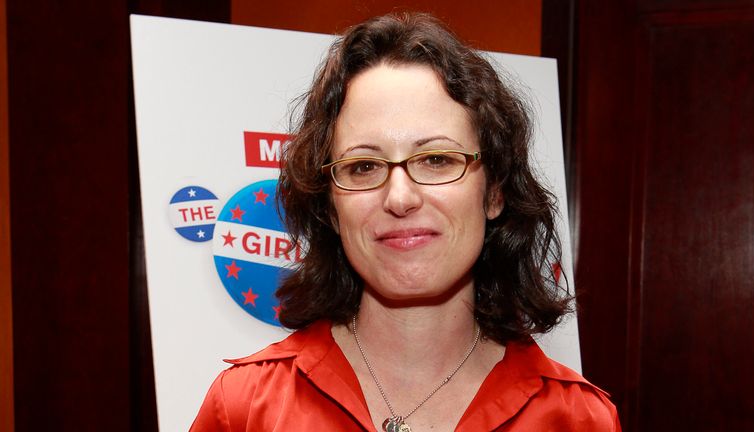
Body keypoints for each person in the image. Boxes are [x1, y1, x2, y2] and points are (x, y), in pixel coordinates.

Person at [191, 12, 621, 432]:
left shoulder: (578, 419)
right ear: (330, 207)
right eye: (363, 165)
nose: (399, 197)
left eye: (437, 159)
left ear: (494, 192)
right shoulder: (246, 409)